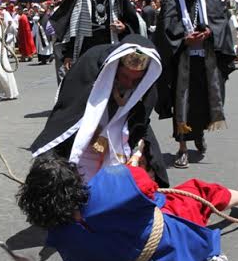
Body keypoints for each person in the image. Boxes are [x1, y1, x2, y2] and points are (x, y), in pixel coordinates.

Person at [16, 153, 238, 261]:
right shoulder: (109, 185)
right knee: (196, 191)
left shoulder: (58, 232)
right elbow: (150, 189)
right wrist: (130, 167)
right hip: (168, 246)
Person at [31, 36, 168, 187]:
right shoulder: (90, 66)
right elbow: (67, 114)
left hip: (117, 149)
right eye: (124, 76)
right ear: (115, 67)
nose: (129, 84)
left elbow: (140, 123)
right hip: (83, 146)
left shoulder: (142, 89)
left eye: (136, 80)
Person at [155, 0, 236, 169]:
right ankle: (182, 148)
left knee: (201, 104)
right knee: (182, 104)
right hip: (181, 63)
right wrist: (183, 40)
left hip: (206, 63)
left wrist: (210, 32)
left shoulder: (211, 1)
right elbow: (164, 33)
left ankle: (198, 134)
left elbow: (221, 24)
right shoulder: (171, 3)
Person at [51, 0, 139, 72]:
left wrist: (124, 28)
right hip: (86, 57)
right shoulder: (80, 3)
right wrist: (68, 55)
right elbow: (73, 30)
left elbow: (133, 25)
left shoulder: (118, 2)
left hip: (112, 56)